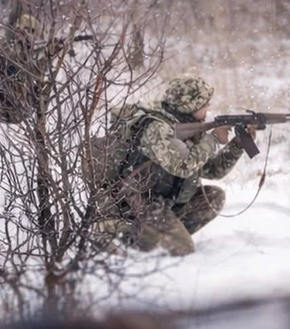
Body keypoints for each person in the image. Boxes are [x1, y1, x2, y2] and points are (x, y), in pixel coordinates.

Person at [102, 75, 256, 256]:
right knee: (183, 248)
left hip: (166, 201)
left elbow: (213, 170)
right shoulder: (157, 128)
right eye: (204, 103)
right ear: (190, 105)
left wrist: (238, 144)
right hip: (140, 204)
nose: (208, 107)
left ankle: (161, 235)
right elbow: (183, 167)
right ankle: (128, 236)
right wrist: (213, 139)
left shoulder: (185, 125)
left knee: (214, 197)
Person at [0, 13, 58, 124]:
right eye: (32, 33)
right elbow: (22, 71)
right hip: (3, 111)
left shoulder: (18, 49)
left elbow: (29, 72)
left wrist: (48, 56)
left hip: (8, 112)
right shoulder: (7, 47)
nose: (34, 38)